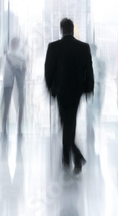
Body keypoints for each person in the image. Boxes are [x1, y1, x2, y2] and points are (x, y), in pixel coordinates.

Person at [45, 18, 94, 174]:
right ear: (73, 29)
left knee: (67, 123)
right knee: (69, 122)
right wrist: (89, 88)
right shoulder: (83, 47)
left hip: (60, 90)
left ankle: (70, 157)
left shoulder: (53, 47)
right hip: (76, 91)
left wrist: (50, 88)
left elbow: (49, 69)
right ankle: (72, 157)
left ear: (61, 30)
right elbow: (89, 70)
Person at [1, 37, 26, 138]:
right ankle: (19, 130)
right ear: (18, 45)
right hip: (19, 85)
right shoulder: (22, 57)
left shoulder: (5, 55)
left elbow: (0, 67)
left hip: (7, 83)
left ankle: (4, 131)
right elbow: (24, 71)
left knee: (6, 107)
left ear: (11, 44)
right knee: (20, 106)